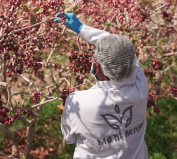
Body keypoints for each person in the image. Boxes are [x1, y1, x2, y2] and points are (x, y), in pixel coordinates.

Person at [54, 13, 149, 159]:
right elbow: (120, 47)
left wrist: (81, 28)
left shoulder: (77, 101)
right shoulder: (140, 87)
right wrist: (81, 28)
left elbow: (68, 138)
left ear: (97, 66)